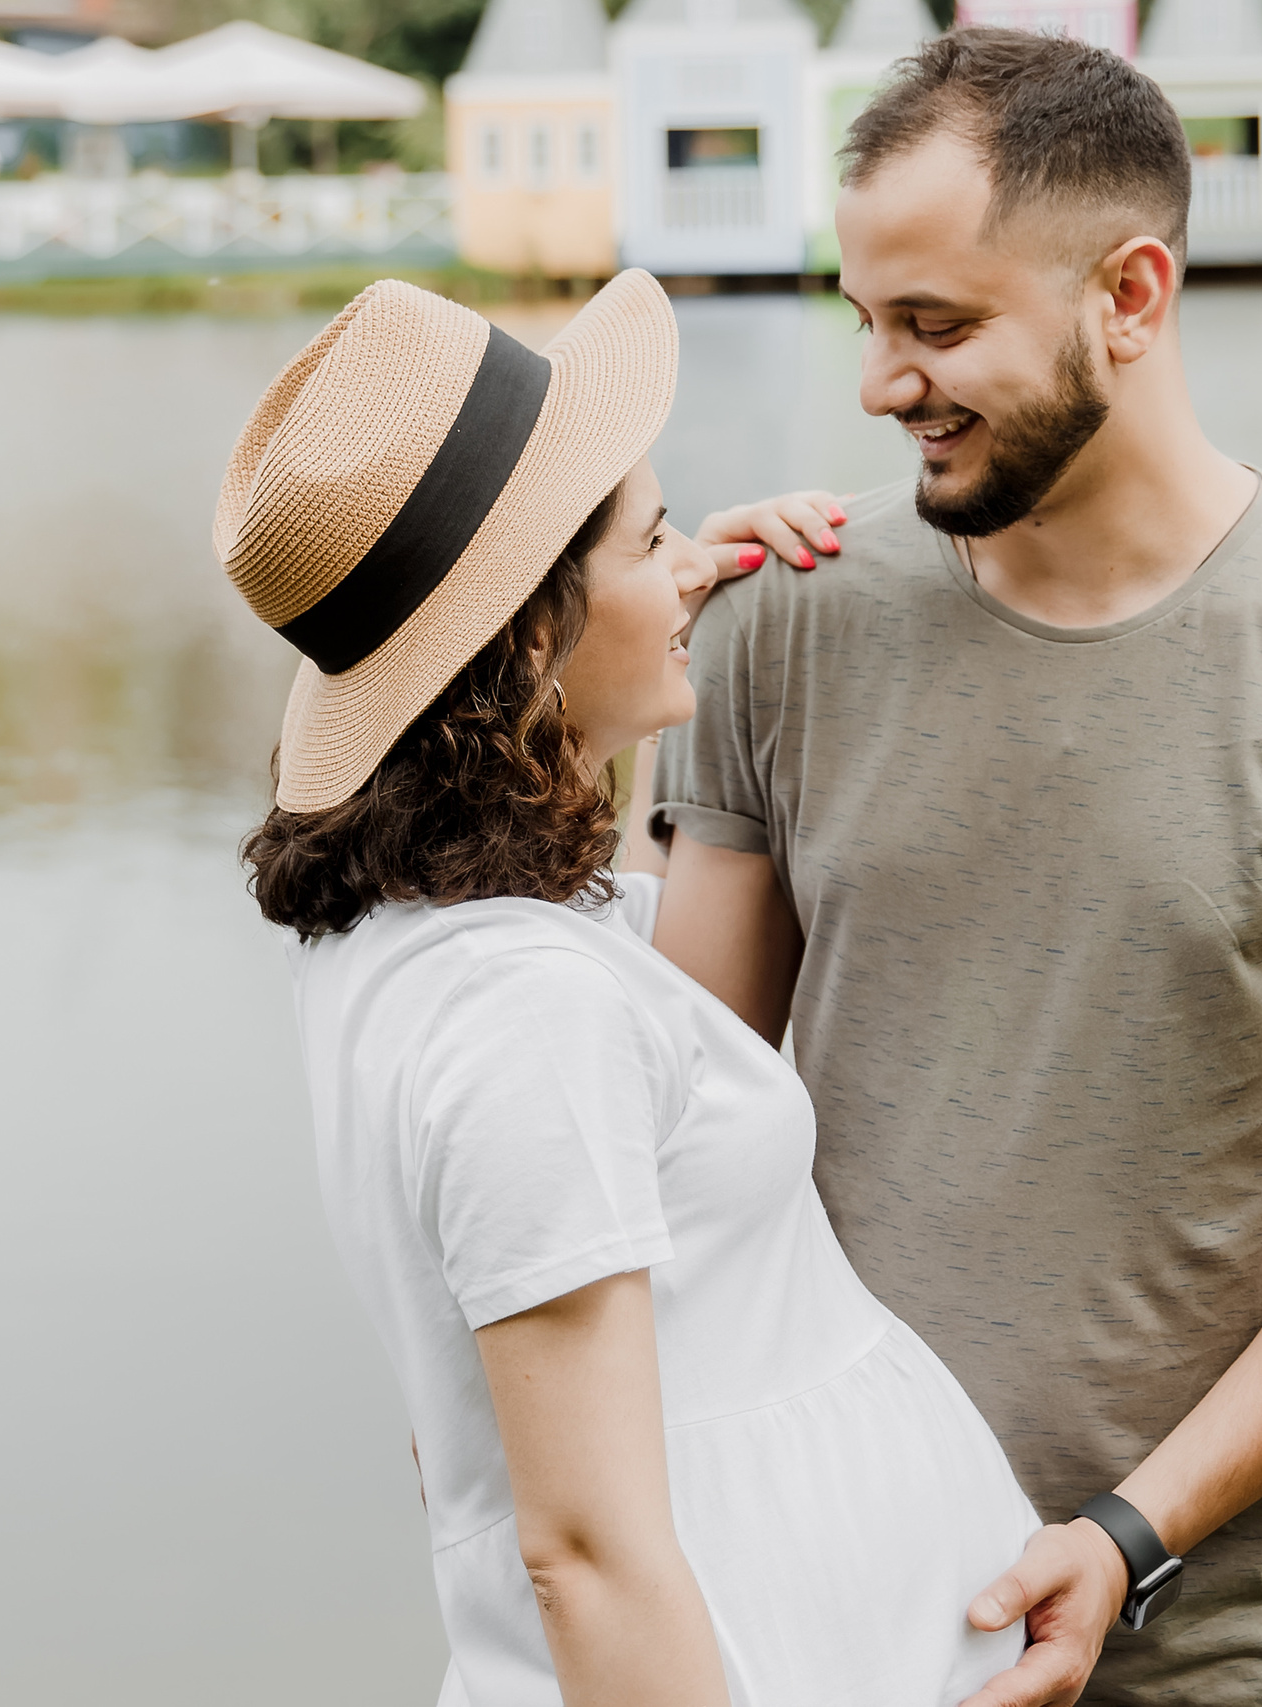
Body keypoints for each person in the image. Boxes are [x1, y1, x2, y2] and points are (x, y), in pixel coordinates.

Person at [650, 29, 1262, 1707]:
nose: (881, 384)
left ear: (1132, 296)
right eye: (866, 323)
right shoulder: (778, 627)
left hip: (1214, 1650)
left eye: (938, 327)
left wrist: (1125, 1533)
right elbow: (675, 1131)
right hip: (826, 1623)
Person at [219, 268, 1040, 1707]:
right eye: (651, 536)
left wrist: (662, 609)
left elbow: (614, 930)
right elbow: (586, 1555)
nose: (686, 559)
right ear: (534, 629)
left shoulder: (436, 927)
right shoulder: (517, 1016)